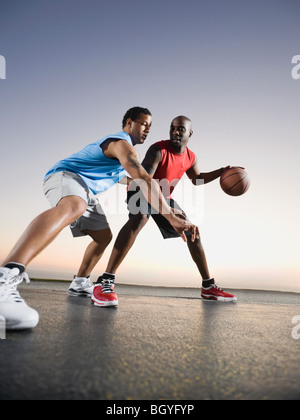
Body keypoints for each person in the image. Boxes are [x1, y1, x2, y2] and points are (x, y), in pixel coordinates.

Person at [0, 107, 198, 330]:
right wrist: (171, 217)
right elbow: (143, 178)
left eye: (150, 126)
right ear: (129, 123)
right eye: (144, 124)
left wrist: (169, 205)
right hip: (65, 176)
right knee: (74, 205)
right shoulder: (121, 143)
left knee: (103, 237)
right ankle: (7, 274)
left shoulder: (124, 155)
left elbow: (133, 180)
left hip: (85, 189)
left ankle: (79, 282)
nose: (148, 130)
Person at [94, 116, 238, 303]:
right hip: (140, 191)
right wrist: (167, 212)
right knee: (140, 219)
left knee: (192, 230)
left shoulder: (190, 156)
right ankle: (107, 279)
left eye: (181, 129)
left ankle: (208, 287)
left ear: (190, 133)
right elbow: (144, 180)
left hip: (164, 197)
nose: (175, 132)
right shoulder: (158, 149)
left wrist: (221, 172)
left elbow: (196, 179)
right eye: (172, 128)